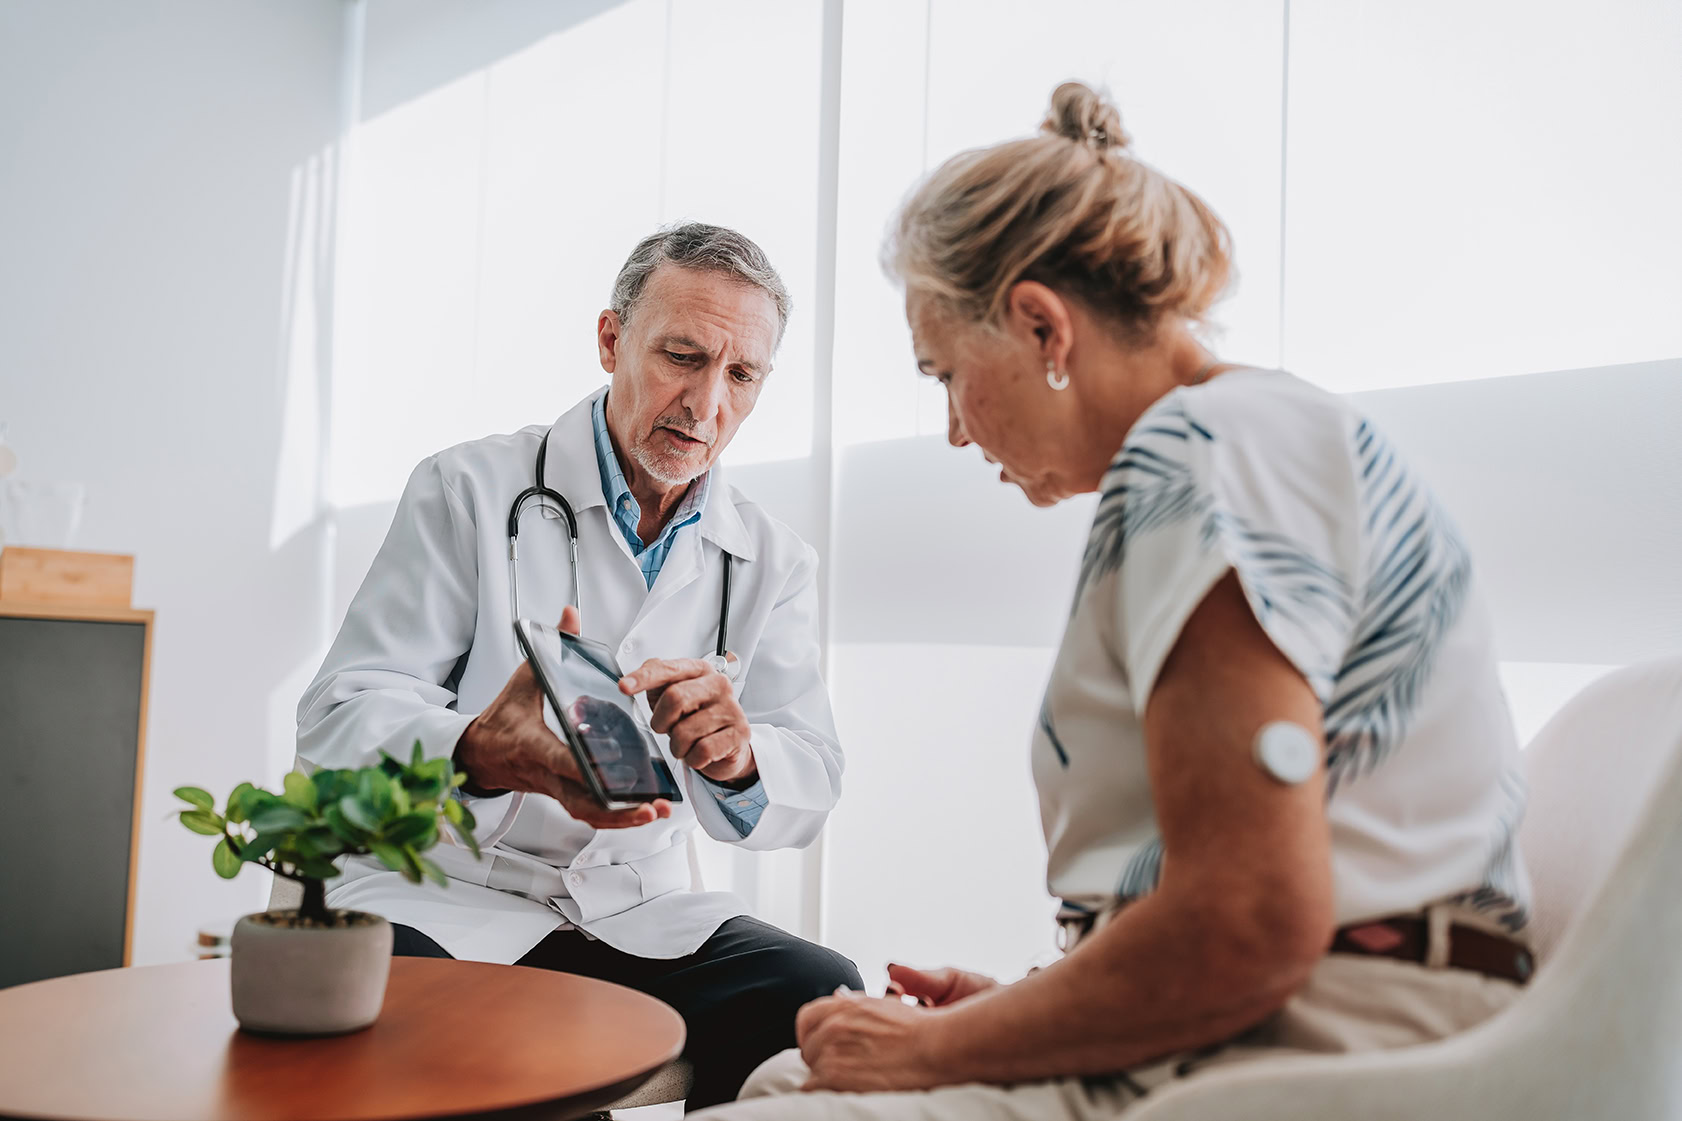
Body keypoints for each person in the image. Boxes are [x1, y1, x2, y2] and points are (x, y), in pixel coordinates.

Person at [693, 82, 1533, 1120]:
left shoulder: (1200, 454)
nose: (955, 428)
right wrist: (1027, 1010)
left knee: (790, 1087)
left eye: (946, 372)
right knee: (791, 1066)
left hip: (1326, 1049)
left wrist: (948, 1043)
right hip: (1304, 1009)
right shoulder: (1259, 431)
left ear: (1042, 327)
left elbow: (1245, 922)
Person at [296, 222, 861, 1110]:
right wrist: (478, 749)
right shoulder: (468, 489)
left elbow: (814, 775)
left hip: (636, 908)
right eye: (682, 355)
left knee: (820, 1004)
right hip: (449, 894)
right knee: (487, 1045)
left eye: (741, 374)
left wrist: (739, 757)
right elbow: (339, 718)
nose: (706, 403)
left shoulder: (770, 558)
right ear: (611, 340)